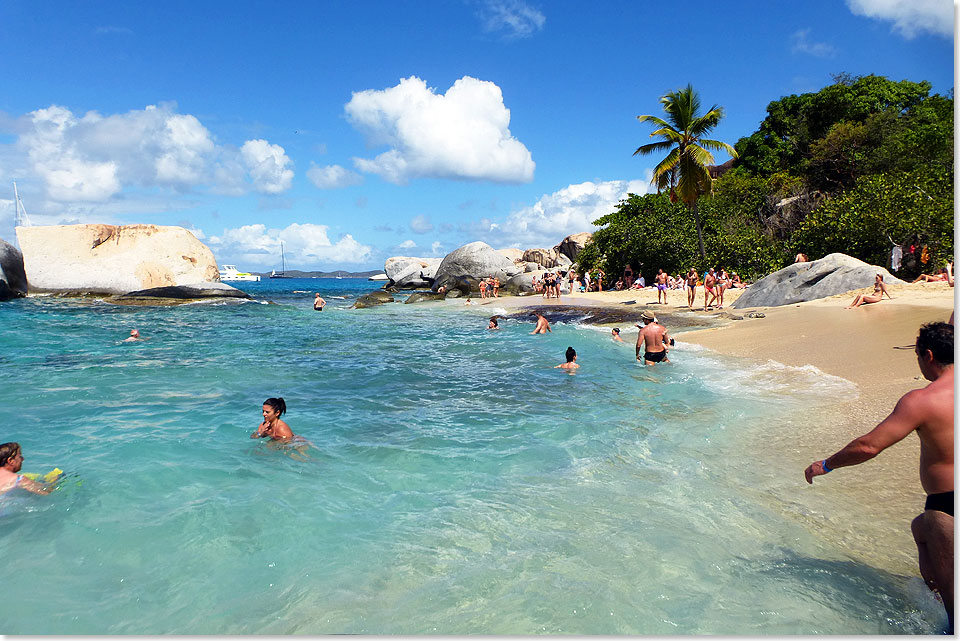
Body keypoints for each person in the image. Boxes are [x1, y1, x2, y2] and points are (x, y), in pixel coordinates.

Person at [804, 322, 954, 632]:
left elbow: (869, 446)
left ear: (927, 356)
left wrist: (827, 464)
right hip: (942, 508)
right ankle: (936, 604)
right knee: (920, 528)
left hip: (948, 504)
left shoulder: (922, 400)